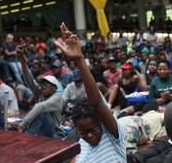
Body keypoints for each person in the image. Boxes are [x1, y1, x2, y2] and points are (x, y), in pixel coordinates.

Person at [55, 22, 127, 162]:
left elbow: (97, 102)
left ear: (101, 122)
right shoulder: (80, 148)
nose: (88, 136)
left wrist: (79, 59)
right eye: (82, 132)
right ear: (76, 129)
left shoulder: (112, 135)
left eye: (93, 130)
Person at [16, 49, 65, 139]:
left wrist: (22, 125)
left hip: (55, 135)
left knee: (42, 113)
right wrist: (23, 63)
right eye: (42, 84)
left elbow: (40, 106)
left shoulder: (57, 98)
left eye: (47, 85)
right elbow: (30, 81)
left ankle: (26, 137)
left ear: (54, 88)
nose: (43, 86)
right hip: (42, 132)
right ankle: (28, 135)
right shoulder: (41, 93)